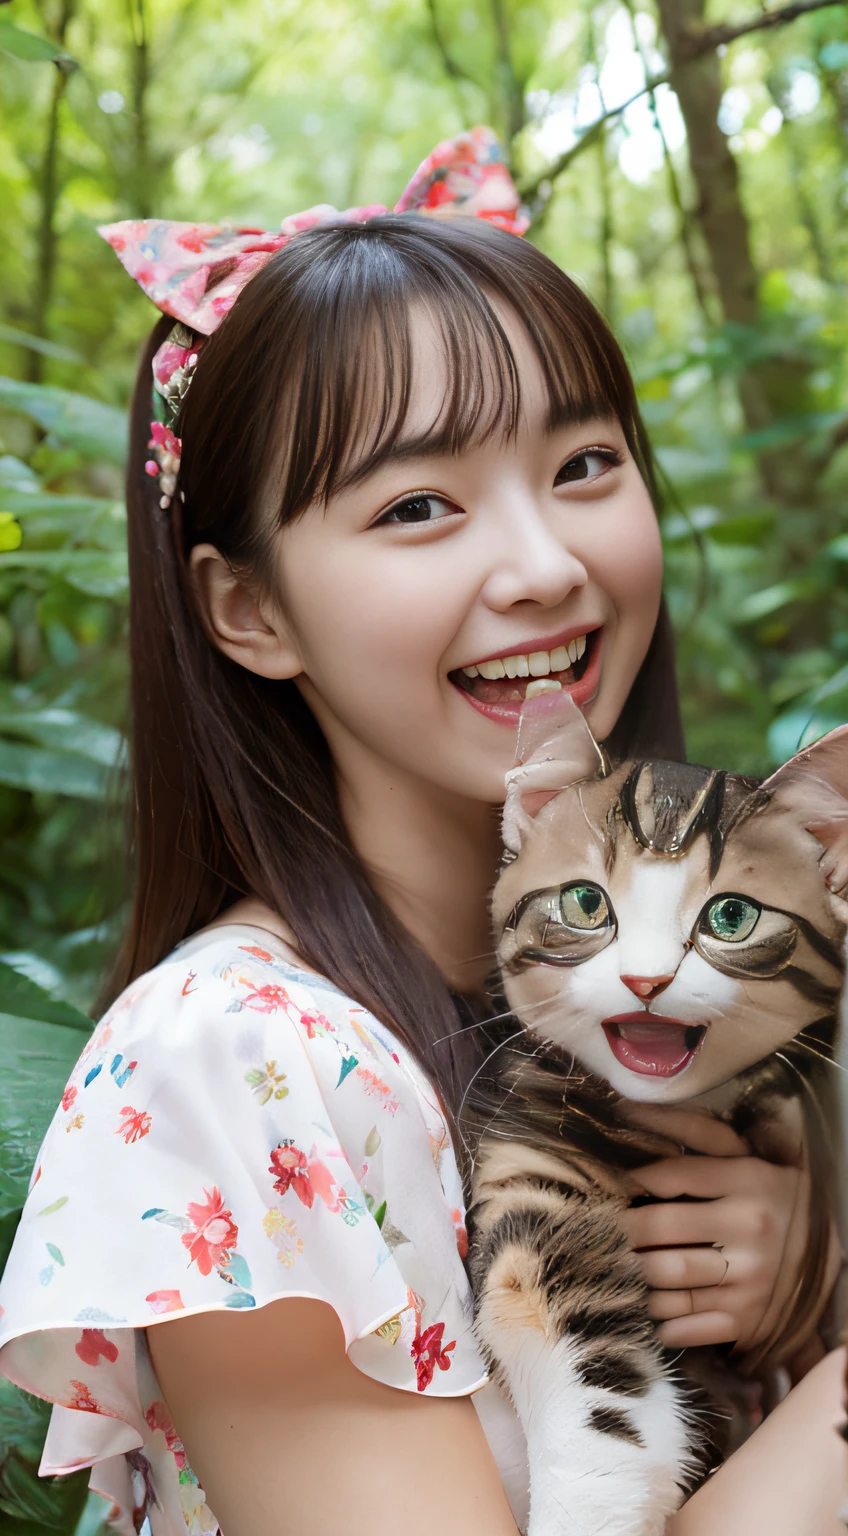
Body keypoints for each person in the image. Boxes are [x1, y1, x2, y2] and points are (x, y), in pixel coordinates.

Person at [0, 131, 843, 1536]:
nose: (545, 564)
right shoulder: (237, 1061)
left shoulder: (680, 1008)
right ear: (248, 610)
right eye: (418, 505)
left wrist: (804, 1261)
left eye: (582, 464)